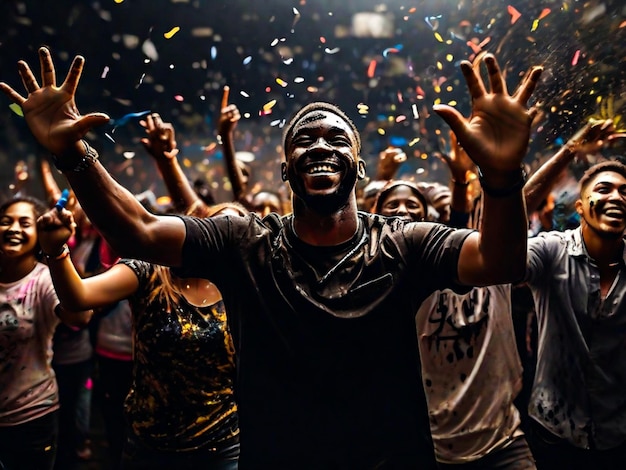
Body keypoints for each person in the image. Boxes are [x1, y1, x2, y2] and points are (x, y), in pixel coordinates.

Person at [0, 46, 542, 468]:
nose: (320, 146)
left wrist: (501, 179)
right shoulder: (246, 242)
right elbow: (141, 231)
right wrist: (73, 153)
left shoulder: (405, 241)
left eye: (336, 138)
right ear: (286, 170)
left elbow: (500, 264)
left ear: (357, 163)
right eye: (305, 140)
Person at [37, 202, 245, 470]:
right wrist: (55, 250)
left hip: (222, 446)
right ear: (199, 229)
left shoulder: (244, 287)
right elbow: (78, 297)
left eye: (237, 233)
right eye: (219, 227)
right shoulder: (151, 269)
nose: (226, 237)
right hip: (151, 443)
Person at [521, 159, 626, 469]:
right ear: (580, 207)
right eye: (604, 189)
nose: (617, 197)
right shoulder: (551, 250)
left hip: (618, 435)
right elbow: (504, 255)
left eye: (625, 192)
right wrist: (569, 152)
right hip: (553, 433)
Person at [0, 196, 91, 470]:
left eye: (24, 223)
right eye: (5, 222)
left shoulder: (43, 279)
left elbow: (80, 316)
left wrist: (57, 251)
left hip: (30, 416)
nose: (13, 228)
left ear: (38, 234)